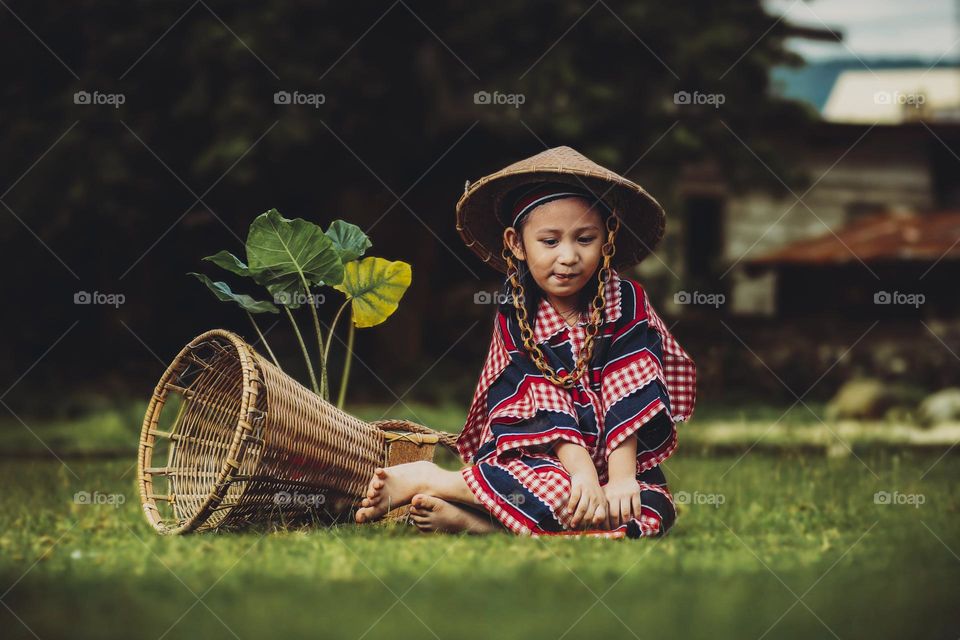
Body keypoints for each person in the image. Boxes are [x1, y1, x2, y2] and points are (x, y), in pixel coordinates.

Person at [354, 146, 696, 539]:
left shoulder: (627, 302)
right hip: (545, 455)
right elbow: (538, 398)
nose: (568, 256)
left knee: (651, 509)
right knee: (555, 489)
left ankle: (477, 521)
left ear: (607, 239)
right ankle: (429, 478)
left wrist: (619, 479)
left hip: (619, 455)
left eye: (585, 238)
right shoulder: (517, 312)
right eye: (550, 241)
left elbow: (631, 386)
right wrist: (581, 471)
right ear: (517, 243)